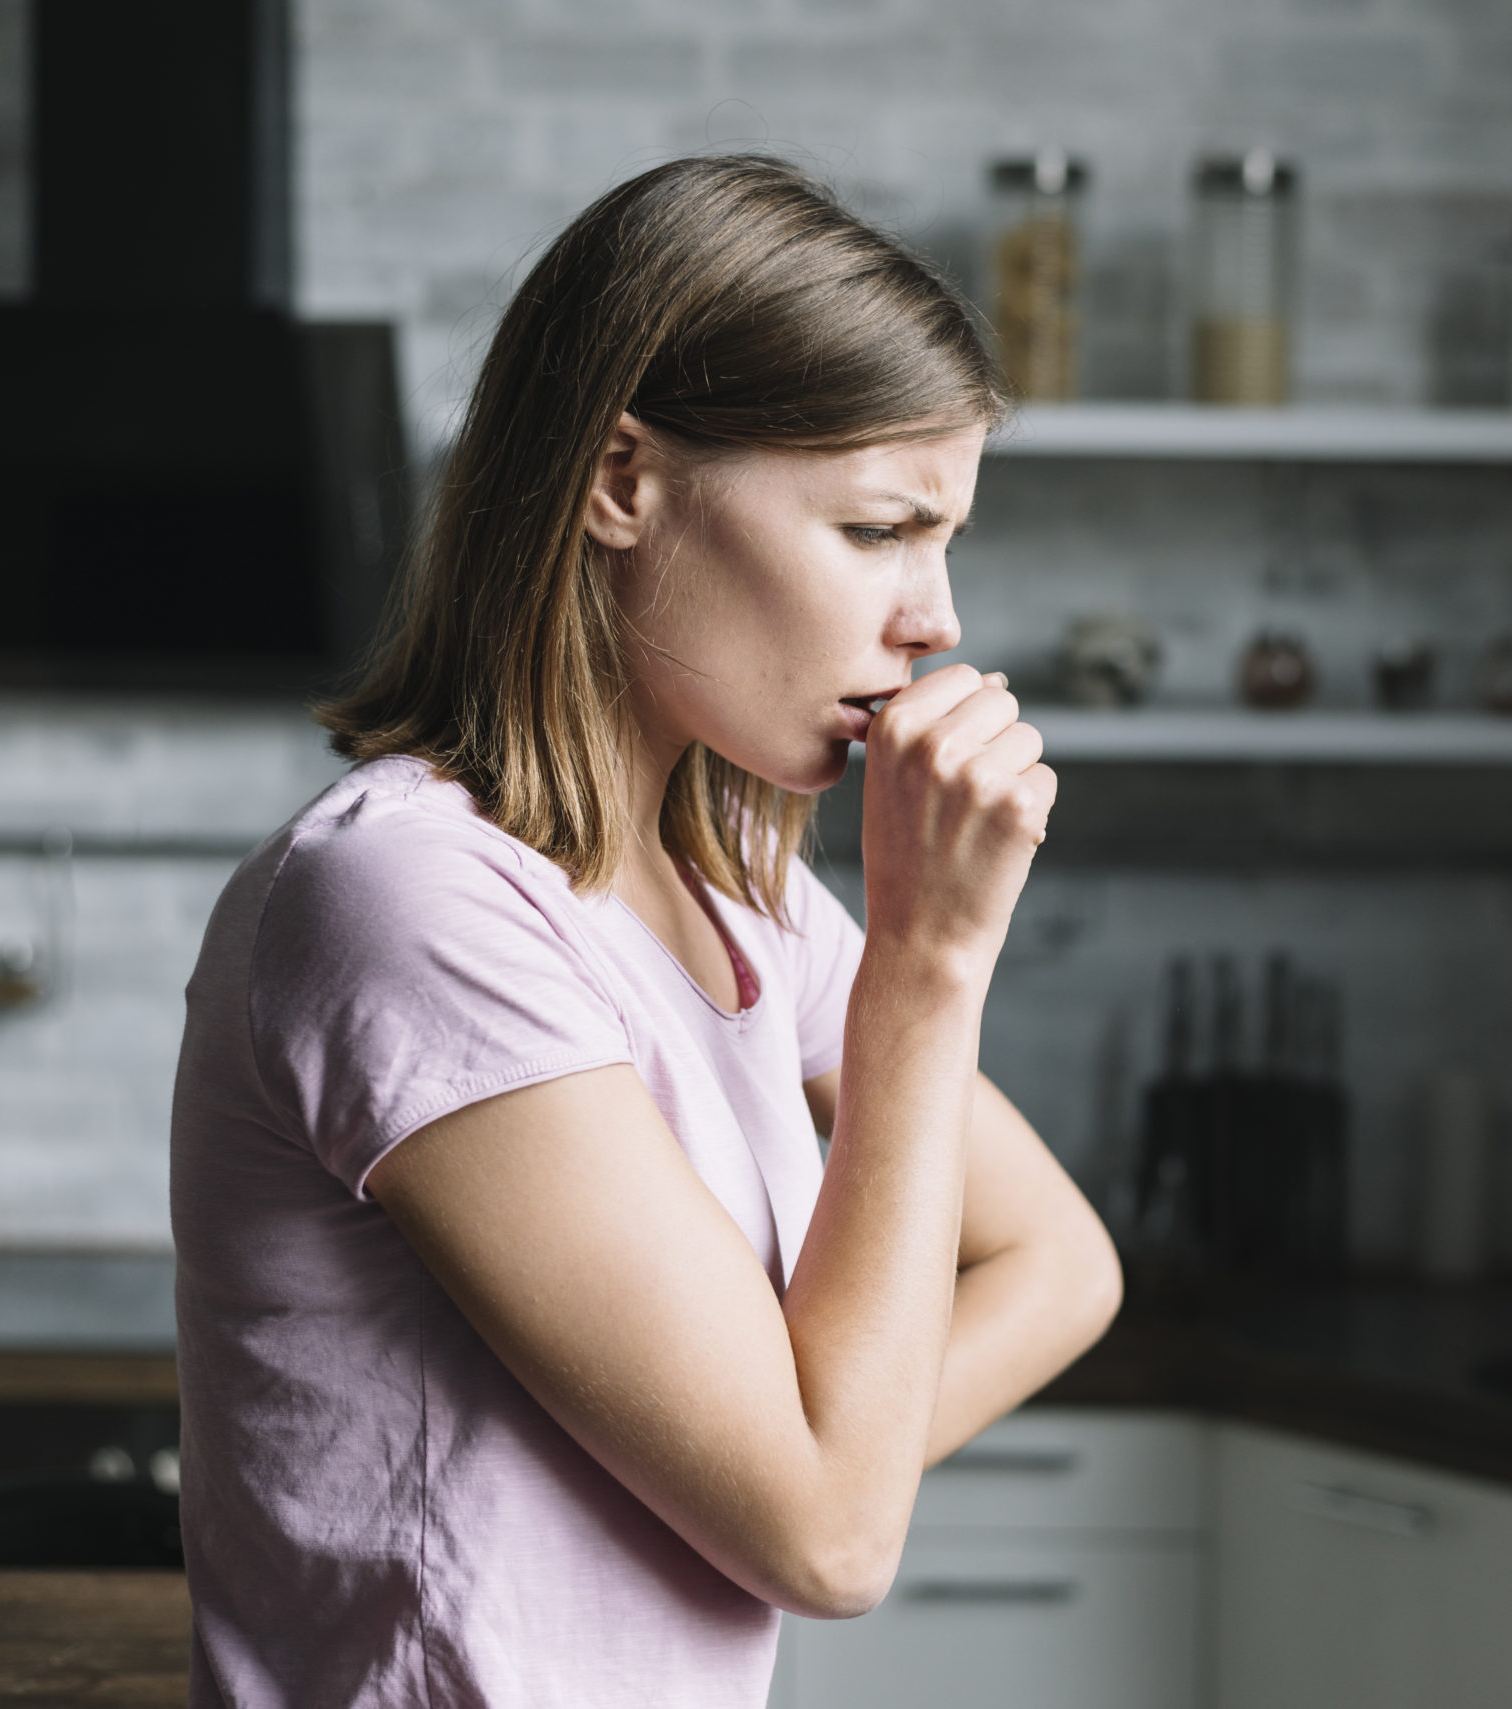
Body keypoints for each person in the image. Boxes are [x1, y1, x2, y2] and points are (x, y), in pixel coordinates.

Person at [168, 154, 1123, 1707]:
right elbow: (828, 1545)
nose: (936, 615)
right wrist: (930, 968)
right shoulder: (411, 900)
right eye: (880, 528)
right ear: (622, 483)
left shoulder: (739, 889)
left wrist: (804, 1449)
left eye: (944, 538)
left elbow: (1059, 1262)